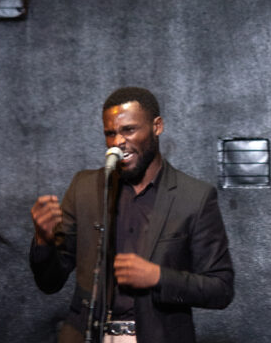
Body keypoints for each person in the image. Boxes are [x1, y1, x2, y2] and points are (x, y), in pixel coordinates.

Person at [30, 87, 234, 343]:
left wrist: (157, 277)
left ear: (157, 126)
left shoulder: (195, 197)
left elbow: (221, 289)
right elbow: (50, 283)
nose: (118, 141)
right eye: (110, 133)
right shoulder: (84, 188)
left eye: (129, 130)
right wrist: (44, 241)